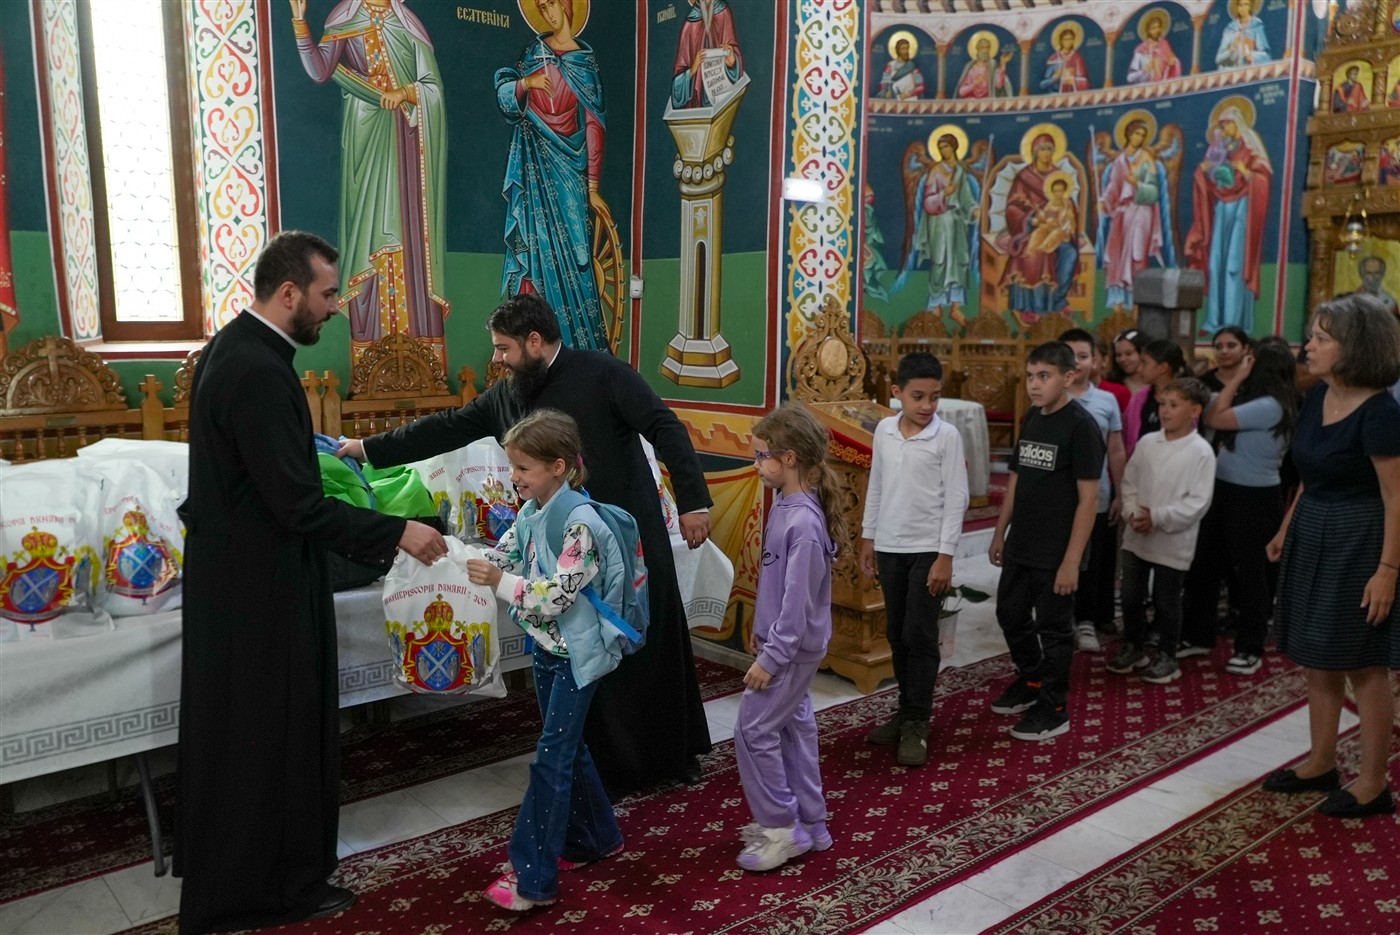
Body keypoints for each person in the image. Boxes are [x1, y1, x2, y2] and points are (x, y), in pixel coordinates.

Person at [175, 232, 447, 934]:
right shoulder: (257, 371)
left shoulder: (239, 350)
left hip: (243, 578)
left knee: (250, 735)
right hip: (259, 588)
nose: (334, 308)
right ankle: (267, 891)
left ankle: (254, 879)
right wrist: (397, 531)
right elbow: (296, 504)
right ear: (290, 292)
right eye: (328, 294)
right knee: (269, 735)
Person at [340, 293, 714, 793]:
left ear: (534, 342)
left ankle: (672, 755)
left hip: (628, 538)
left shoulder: (604, 373)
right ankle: (609, 768)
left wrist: (693, 501)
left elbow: (664, 427)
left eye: (503, 348)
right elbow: (446, 428)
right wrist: (367, 449)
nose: (497, 358)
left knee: (648, 643)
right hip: (561, 549)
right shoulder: (508, 394)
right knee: (586, 655)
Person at [466, 409, 627, 910]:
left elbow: (557, 595)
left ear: (558, 466)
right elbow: (503, 557)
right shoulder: (531, 512)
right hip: (547, 648)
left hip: (577, 656)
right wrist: (450, 558)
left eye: (522, 468)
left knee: (551, 760)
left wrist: (501, 583)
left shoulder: (582, 523)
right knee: (568, 750)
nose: (513, 477)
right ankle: (598, 838)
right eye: (512, 467)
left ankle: (531, 880)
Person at [1263, 294, 1400, 819]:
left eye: (1321, 338)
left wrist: (1388, 571)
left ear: (1355, 346)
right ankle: (1321, 762)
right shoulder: (1319, 395)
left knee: (1364, 662)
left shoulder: (1381, 412)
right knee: (1318, 656)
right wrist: (1286, 527)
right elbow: (1308, 476)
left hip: (1360, 539)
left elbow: (1396, 497)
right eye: (1312, 336)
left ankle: (1373, 782)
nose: (1308, 346)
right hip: (1314, 529)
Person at [291, 0, 449, 365]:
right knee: (371, 227)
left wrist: (405, 93)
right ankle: (372, 352)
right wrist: (300, 25)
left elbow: (432, 86)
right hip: (368, 136)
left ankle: (422, 353)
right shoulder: (345, 19)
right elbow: (320, 70)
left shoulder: (408, 24)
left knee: (410, 231)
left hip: (410, 143)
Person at [734, 403, 844, 871]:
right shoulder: (784, 506)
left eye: (762, 457)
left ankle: (782, 829)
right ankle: (812, 824)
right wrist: (763, 632)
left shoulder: (804, 524)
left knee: (752, 730)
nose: (756, 465)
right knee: (794, 730)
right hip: (784, 644)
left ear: (790, 458)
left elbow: (798, 606)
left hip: (791, 651)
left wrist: (772, 657)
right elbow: (779, 588)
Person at [989, 342, 1105, 741]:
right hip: (1022, 540)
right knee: (1010, 613)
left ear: (1068, 377)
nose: (1034, 385)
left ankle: (1054, 708)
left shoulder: (1081, 427)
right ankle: (1032, 678)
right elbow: (1017, 477)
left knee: (1054, 630)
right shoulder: (1034, 417)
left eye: (1044, 376)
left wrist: (1072, 561)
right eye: (1030, 376)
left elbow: (1089, 499)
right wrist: (999, 530)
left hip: (1057, 551)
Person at [858, 353, 969, 766]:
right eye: (918, 396)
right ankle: (906, 710)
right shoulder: (885, 431)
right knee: (896, 633)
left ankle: (918, 721)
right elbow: (877, 485)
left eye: (934, 397)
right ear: (897, 393)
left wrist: (946, 556)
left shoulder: (946, 436)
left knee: (920, 635)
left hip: (928, 550)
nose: (927, 406)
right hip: (890, 547)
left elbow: (956, 498)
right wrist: (868, 537)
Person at [497, 0, 612, 352]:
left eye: (552, 4)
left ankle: (580, 348)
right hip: (535, 164)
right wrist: (526, 83)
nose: (548, 12)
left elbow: (593, 124)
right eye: (542, 7)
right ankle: (531, 343)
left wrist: (593, 187)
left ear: (568, 6)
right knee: (535, 251)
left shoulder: (585, 63)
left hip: (570, 170)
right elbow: (506, 95)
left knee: (577, 255)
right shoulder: (533, 53)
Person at [1181, 339, 1297, 669]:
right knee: (1205, 564)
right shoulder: (1263, 401)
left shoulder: (1272, 405)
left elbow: (1214, 418)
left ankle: (1250, 647)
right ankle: (1198, 634)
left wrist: (1236, 378)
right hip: (1225, 489)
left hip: (1254, 498)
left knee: (1250, 575)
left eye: (1250, 361)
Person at [1108, 378, 1217, 685]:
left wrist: (1157, 517)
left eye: (1174, 405)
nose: (1165, 411)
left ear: (1194, 410)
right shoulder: (1147, 443)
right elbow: (1130, 482)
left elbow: (1197, 503)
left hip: (1173, 539)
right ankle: (1134, 647)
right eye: (1162, 404)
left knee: (1166, 600)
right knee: (1131, 595)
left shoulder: (1201, 452)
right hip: (1137, 534)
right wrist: (1133, 513)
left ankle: (1167, 655)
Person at [1059, 329, 1127, 653]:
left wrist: (1121, 493)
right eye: (1069, 355)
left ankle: (1085, 619)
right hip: (1059, 498)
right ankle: (1059, 617)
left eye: (1083, 356)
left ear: (1095, 361)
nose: (1076, 362)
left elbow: (1116, 449)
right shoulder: (1050, 396)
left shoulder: (1106, 401)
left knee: (1090, 562)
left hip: (1095, 496)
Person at [1184, 106, 1272, 336]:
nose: (1223, 131)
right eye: (1220, 127)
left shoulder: (1251, 151)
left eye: (1226, 125)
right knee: (1215, 265)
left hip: (1243, 210)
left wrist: (1247, 172)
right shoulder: (1219, 151)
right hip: (1222, 211)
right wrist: (1203, 172)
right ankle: (1214, 320)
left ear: (1238, 125)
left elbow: (1263, 178)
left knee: (1234, 265)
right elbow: (1209, 184)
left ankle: (1232, 324)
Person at [1098, 120, 1173, 314]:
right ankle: (1118, 307)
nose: (1139, 138)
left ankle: (1136, 305)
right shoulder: (1120, 161)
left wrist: (1137, 184)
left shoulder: (1147, 158)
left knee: (1136, 255)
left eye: (1142, 135)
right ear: (1128, 134)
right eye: (1136, 133)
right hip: (1122, 214)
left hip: (1141, 212)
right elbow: (1113, 187)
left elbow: (1154, 192)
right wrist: (1105, 201)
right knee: (1116, 255)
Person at [671, 0, 744, 108]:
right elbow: (676, 89)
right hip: (697, 104)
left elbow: (735, 60)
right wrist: (692, 70)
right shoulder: (689, 25)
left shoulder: (724, 14)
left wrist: (732, 61)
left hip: (722, 94)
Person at [1124, 339, 1188, 457]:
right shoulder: (1139, 399)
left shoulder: (1188, 399)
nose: (1139, 369)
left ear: (1163, 368)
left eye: (1144, 363)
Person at [1126, 10, 1181, 85]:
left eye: (1159, 27)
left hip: (1165, 85)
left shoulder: (1164, 44)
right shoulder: (1140, 50)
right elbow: (1130, 78)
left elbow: (1173, 62)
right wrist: (1144, 70)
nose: (1157, 30)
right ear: (1148, 30)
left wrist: (1173, 62)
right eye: (1153, 28)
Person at [1216, 0, 1271, 68]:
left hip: (1250, 70)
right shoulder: (1230, 29)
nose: (1243, 8)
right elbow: (1219, 59)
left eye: (1246, 4)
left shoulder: (1256, 26)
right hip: (1232, 71)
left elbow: (1266, 56)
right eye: (1240, 5)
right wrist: (1232, 50)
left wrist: (1249, 55)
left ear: (1250, 6)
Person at [1199, 325, 1252, 391]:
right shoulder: (1202, 383)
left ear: (1245, 349)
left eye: (1231, 346)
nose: (1224, 351)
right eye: (1218, 347)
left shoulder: (1255, 381)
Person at [1039, 28, 1089, 94]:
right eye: (1066, 39)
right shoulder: (1054, 58)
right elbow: (1043, 84)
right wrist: (1055, 78)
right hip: (1055, 93)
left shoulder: (1077, 57)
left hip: (1073, 93)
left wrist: (1071, 80)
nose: (1069, 41)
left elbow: (1083, 79)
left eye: (1071, 39)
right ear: (1061, 41)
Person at [1092, 332, 1132, 412]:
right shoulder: (1066, 392)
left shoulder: (1119, 392)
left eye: (1084, 356)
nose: (1077, 361)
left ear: (1105, 360)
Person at [1107, 328, 1150, 398]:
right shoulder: (1111, 384)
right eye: (1118, 355)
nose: (1122, 359)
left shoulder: (1156, 384)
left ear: (1143, 353)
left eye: (1128, 353)